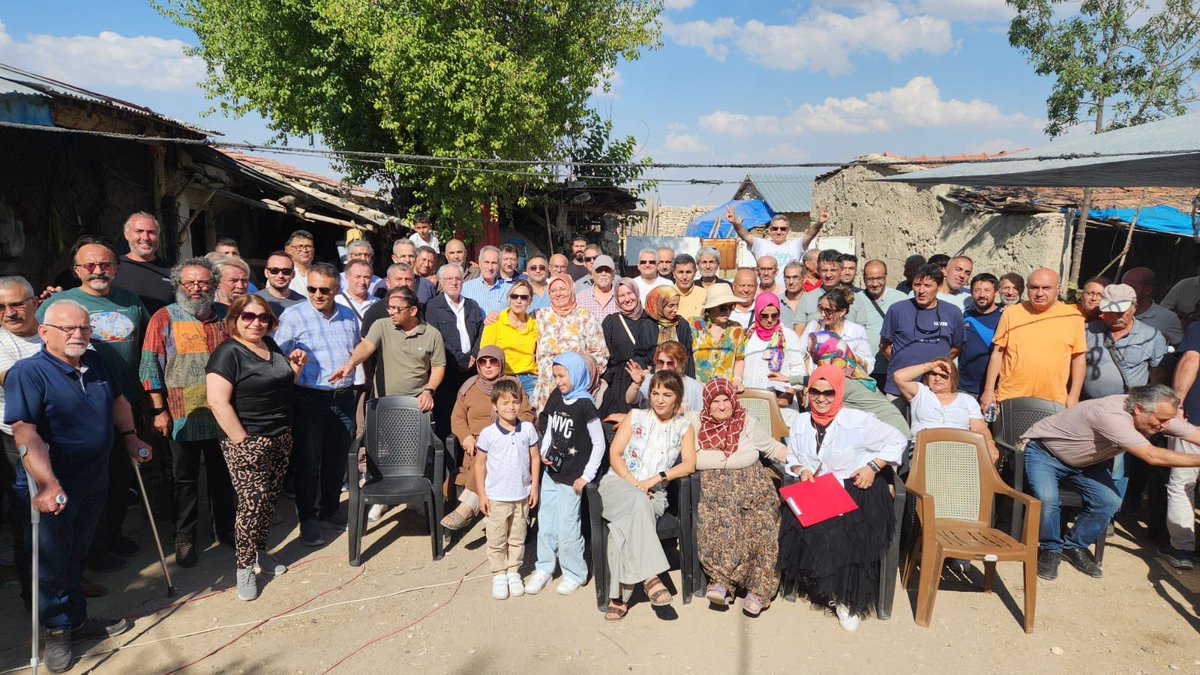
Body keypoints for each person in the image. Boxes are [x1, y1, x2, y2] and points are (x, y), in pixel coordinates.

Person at [7, 300, 151, 670]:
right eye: (68, 328)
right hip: (53, 485)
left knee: (76, 554)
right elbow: (25, 432)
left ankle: (77, 619)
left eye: (84, 328)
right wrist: (47, 483)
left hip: (93, 479)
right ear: (45, 332)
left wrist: (131, 436)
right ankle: (57, 630)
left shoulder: (95, 361)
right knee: (51, 560)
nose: (78, 334)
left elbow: (118, 401)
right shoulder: (29, 372)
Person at [39, 237, 151, 572]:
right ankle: (89, 549)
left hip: (126, 401)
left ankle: (111, 535)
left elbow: (148, 341)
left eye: (105, 264)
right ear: (76, 270)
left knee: (121, 478)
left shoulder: (129, 300)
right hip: (81, 409)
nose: (98, 270)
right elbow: (38, 343)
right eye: (89, 265)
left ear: (116, 268)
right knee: (89, 484)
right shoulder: (58, 303)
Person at [1021, 385, 1200, 580]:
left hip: (1085, 463)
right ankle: (1050, 549)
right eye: (1162, 420)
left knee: (1109, 501)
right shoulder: (1112, 416)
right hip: (1045, 454)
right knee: (1048, 500)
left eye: (1168, 420)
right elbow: (1152, 456)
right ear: (1138, 409)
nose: (1165, 426)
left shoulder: (1153, 412)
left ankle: (1073, 546)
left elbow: (1192, 434)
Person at [779, 365, 905, 632]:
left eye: (829, 393)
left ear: (839, 393)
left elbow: (897, 440)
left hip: (856, 485)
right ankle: (823, 584)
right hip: (820, 487)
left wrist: (873, 467)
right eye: (815, 391)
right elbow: (793, 458)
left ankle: (845, 597)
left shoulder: (858, 420)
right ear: (808, 391)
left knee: (846, 532)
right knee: (803, 523)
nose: (821, 398)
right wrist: (801, 470)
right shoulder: (801, 422)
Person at [206, 295, 305, 600]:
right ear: (235, 319)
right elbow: (217, 402)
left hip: (280, 435)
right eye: (248, 316)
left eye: (263, 317)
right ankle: (245, 568)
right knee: (251, 505)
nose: (256, 323)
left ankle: (261, 553)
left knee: (268, 501)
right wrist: (243, 442)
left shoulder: (269, 345)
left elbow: (283, 384)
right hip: (248, 440)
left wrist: (295, 368)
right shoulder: (228, 353)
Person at [139, 257, 235, 568]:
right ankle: (185, 537)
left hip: (223, 414)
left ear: (214, 285)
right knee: (185, 480)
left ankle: (226, 529)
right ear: (178, 285)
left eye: (203, 282)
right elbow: (150, 366)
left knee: (223, 476)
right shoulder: (164, 317)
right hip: (183, 414)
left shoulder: (227, 315)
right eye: (189, 282)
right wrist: (158, 410)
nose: (196, 288)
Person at [274, 263, 361, 547]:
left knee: (337, 459)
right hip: (310, 398)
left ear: (337, 289)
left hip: (342, 397)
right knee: (309, 462)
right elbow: (278, 356)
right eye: (312, 288)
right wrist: (293, 361)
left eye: (324, 289)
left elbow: (354, 352)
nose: (317, 294)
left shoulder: (348, 315)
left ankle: (330, 510)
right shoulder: (293, 316)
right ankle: (308, 519)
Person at [599, 370, 696, 621]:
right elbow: (614, 454)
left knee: (620, 530)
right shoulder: (636, 416)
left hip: (654, 493)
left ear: (677, 398)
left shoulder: (684, 427)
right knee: (637, 499)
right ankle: (651, 577)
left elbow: (689, 465)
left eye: (667, 394)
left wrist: (656, 479)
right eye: (655, 393)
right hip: (617, 484)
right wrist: (634, 483)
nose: (660, 400)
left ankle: (618, 598)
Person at [689, 378, 786, 615]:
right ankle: (721, 581)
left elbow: (773, 448)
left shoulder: (747, 422)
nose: (722, 406)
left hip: (753, 482)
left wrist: (803, 463)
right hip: (715, 484)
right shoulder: (694, 422)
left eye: (726, 400)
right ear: (707, 403)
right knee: (722, 519)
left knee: (763, 521)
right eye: (716, 401)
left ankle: (759, 590)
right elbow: (683, 448)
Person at [526, 353, 606, 597]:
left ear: (577, 374)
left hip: (573, 477)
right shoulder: (557, 398)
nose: (558, 381)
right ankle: (544, 567)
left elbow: (599, 443)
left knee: (568, 526)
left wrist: (587, 476)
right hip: (552, 472)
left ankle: (574, 572)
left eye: (562, 376)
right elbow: (549, 429)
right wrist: (544, 452)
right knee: (546, 522)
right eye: (555, 376)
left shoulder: (585, 406)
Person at [445, 346, 534, 531]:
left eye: (493, 361)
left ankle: (468, 506)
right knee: (484, 453)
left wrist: (508, 430)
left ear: (500, 363)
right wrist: (466, 437)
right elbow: (457, 418)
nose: (487, 366)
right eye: (483, 362)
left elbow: (525, 415)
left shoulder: (512, 385)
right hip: (476, 445)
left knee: (491, 454)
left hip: (508, 443)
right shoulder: (469, 387)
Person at [472, 378, 541, 600]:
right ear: (495, 406)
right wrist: (482, 495)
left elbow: (535, 458)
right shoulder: (488, 434)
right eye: (504, 403)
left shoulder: (528, 429)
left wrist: (534, 487)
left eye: (515, 401)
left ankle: (513, 572)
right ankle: (499, 574)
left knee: (518, 537)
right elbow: (480, 464)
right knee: (496, 538)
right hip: (496, 498)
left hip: (521, 496)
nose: (511, 407)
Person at [980, 268, 1085, 411]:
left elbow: (1078, 359)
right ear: (1027, 288)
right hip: (1010, 397)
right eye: (1034, 287)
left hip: (1054, 399)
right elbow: (997, 354)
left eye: (1046, 288)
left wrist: (1074, 396)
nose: (1039, 293)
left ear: (1058, 289)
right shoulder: (1011, 313)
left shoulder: (1073, 317)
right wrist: (988, 391)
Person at [0, 276, 43, 606]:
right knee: (30, 517)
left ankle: (68, 576)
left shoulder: (52, 330)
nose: (9, 313)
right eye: (1, 307)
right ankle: (35, 594)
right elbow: (12, 379)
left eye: (16, 304)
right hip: (18, 440)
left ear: (34, 303)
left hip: (63, 434)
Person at [328, 286, 445, 403]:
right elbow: (367, 346)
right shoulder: (381, 325)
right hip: (383, 401)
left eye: (396, 308)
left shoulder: (432, 334)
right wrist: (350, 364)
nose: (391, 312)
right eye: (389, 307)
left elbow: (438, 367)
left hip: (417, 402)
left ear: (413, 311)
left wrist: (429, 391)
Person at [880, 263, 964, 400]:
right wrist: (902, 363)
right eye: (917, 285)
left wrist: (936, 365)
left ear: (938, 286)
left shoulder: (952, 312)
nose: (921, 291)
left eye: (927, 286)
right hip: (899, 388)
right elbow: (884, 346)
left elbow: (956, 348)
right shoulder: (897, 310)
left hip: (936, 388)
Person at [893, 358, 999, 463]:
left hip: (960, 451)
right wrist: (930, 366)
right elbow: (898, 377)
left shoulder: (966, 400)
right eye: (933, 374)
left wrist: (989, 443)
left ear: (952, 379)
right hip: (925, 449)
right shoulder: (920, 393)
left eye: (943, 375)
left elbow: (980, 428)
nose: (937, 378)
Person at [530, 275, 609, 412]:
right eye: (553, 291)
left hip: (575, 388)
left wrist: (583, 378)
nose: (558, 294)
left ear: (571, 290)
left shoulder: (585, 317)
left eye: (563, 289)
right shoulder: (540, 316)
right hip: (546, 387)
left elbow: (600, 354)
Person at [424, 263, 484, 439]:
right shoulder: (433, 306)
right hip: (447, 372)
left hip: (471, 372)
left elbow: (480, 333)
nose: (454, 282)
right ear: (441, 282)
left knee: (469, 416)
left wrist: (473, 356)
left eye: (457, 278)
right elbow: (437, 338)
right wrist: (461, 359)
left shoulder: (472, 305)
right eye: (449, 278)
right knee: (447, 420)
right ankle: (449, 457)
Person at [1082, 284, 1167, 401]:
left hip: (1129, 404)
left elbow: (1157, 374)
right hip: (1088, 403)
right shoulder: (1086, 331)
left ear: (1134, 308)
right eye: (1110, 311)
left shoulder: (1152, 336)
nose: (1115, 316)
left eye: (1121, 311)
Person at [1167, 322, 1200, 568]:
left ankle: (1182, 550)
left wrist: (1176, 403)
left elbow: (1190, 360)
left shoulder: (1198, 328)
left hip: (1193, 421)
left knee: (1182, 484)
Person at [598, 278, 656, 418]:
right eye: (621, 295)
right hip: (620, 383)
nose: (627, 299)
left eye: (630, 293)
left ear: (637, 293)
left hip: (646, 380)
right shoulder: (611, 322)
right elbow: (607, 357)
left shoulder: (651, 320)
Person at [730, 209, 829, 287]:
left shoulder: (796, 245)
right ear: (769, 230)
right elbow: (745, 235)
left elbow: (809, 234)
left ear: (789, 231)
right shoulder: (760, 244)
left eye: (783, 229)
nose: (778, 232)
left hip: (789, 293)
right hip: (765, 292)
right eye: (775, 228)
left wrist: (820, 222)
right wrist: (735, 223)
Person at [797, 287, 873, 382]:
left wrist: (854, 358)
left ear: (842, 311)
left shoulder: (857, 331)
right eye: (821, 308)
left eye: (828, 311)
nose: (823, 314)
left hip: (845, 384)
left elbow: (869, 366)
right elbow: (799, 356)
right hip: (817, 384)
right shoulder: (813, 327)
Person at [480, 279, 540, 400]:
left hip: (530, 379)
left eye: (524, 297)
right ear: (509, 299)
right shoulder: (495, 322)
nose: (519, 300)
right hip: (503, 378)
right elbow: (485, 353)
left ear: (530, 301)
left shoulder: (535, 325)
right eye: (514, 296)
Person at [856, 260, 907, 387]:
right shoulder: (855, 300)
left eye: (879, 278)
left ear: (886, 277)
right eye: (870, 279)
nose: (875, 284)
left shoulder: (901, 299)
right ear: (863, 278)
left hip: (894, 368)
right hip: (865, 371)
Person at [743, 294, 805, 398]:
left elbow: (798, 368)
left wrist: (789, 394)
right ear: (757, 313)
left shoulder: (789, 336)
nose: (770, 320)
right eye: (764, 316)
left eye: (774, 315)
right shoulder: (748, 335)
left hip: (779, 399)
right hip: (750, 396)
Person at [112, 212, 173, 316]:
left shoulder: (173, 270)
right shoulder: (112, 268)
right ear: (126, 234)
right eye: (139, 231)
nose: (145, 237)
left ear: (158, 236)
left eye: (151, 232)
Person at [624, 341, 705, 413]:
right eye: (661, 362)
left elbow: (701, 415)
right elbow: (629, 400)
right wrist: (636, 384)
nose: (664, 368)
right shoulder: (648, 380)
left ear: (681, 363)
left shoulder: (695, 387)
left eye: (670, 363)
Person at [797, 250, 872, 327]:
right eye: (824, 270)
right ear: (818, 271)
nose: (828, 275)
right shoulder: (806, 299)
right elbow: (799, 331)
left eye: (833, 270)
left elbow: (861, 331)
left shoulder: (856, 300)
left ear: (841, 270)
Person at [958, 273, 1004, 398]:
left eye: (987, 290)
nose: (982, 295)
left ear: (996, 293)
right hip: (964, 387)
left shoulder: (1004, 316)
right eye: (977, 290)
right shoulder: (965, 316)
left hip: (995, 389)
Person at [691, 284, 746, 385]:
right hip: (698, 389)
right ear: (710, 308)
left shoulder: (736, 328)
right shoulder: (693, 325)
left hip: (725, 390)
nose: (727, 311)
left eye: (731, 307)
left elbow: (740, 358)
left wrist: (737, 380)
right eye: (722, 307)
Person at [1122, 267, 1183, 345]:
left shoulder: (1168, 318)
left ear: (1148, 290)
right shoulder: (1112, 312)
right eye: (1122, 287)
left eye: (1130, 288)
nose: (1124, 291)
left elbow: (1178, 348)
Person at [644, 286, 694, 357]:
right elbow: (640, 354)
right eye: (671, 306)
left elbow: (687, 353)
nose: (675, 310)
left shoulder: (681, 324)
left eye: (677, 305)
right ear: (658, 305)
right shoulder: (648, 325)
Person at [462, 245, 509, 319]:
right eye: (486, 262)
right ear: (480, 264)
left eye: (494, 263)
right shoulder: (466, 288)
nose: (490, 267)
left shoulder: (508, 289)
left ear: (499, 266)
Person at [255, 251, 305, 317]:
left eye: (286, 271)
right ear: (266, 273)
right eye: (274, 271)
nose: (280, 276)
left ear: (293, 274)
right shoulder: (254, 300)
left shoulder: (303, 303)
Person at [575, 254, 618, 321]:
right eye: (599, 270)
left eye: (607, 270)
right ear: (592, 273)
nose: (603, 274)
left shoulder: (621, 297)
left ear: (614, 273)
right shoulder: (580, 299)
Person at [672, 253, 706, 322]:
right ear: (673, 273)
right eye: (681, 272)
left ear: (695, 273)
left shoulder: (704, 294)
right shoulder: (666, 295)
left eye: (688, 272)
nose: (684, 277)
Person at [284, 230, 316, 297]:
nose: (304, 250)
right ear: (290, 250)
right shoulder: (282, 275)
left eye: (308, 246)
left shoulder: (320, 274)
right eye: (300, 246)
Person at [779, 261, 806, 332]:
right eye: (788, 278)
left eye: (795, 277)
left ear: (804, 279)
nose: (791, 282)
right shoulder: (776, 302)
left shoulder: (813, 302)